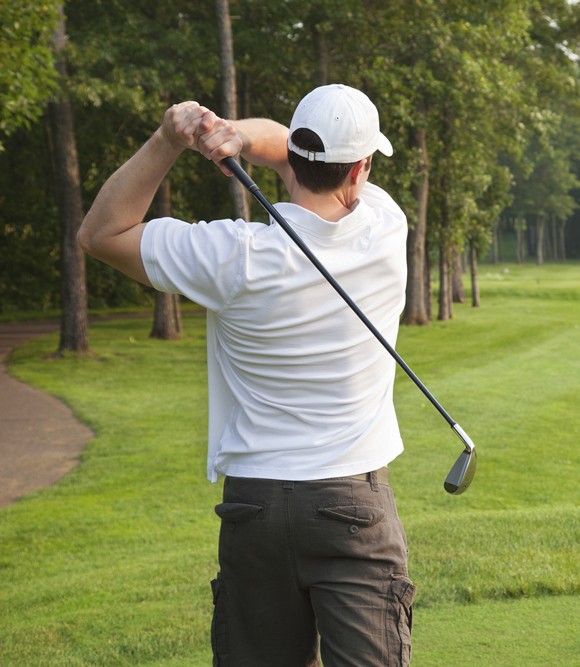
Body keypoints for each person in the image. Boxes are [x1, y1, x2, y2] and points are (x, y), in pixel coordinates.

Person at [78, 84, 414, 666]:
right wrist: (235, 134)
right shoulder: (386, 226)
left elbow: (101, 234)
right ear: (361, 168)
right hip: (354, 505)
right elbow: (294, 154)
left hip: (253, 507)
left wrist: (169, 140)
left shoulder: (233, 255)